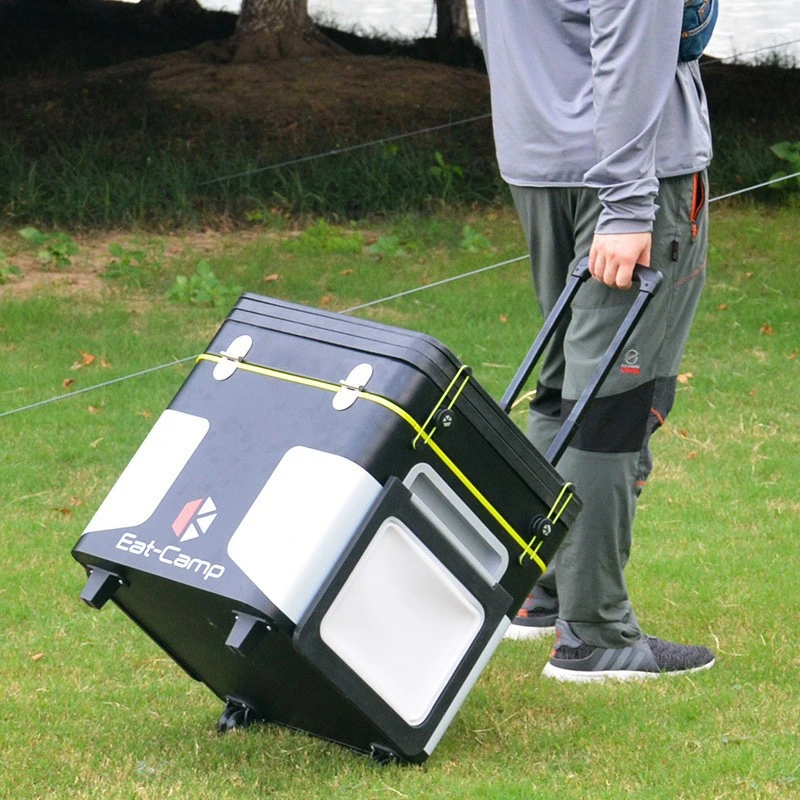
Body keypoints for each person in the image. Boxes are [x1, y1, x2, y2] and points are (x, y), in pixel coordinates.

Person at [474, 0, 716, 681]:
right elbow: (630, 43)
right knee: (613, 398)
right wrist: (629, 201)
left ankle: (540, 590)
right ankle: (596, 634)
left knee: (564, 388)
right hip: (625, 179)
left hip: (539, 160)